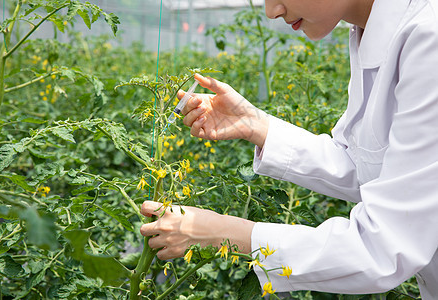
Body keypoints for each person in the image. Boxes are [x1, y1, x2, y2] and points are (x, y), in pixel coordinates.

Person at [140, 0, 438, 298]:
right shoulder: (369, 33)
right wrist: (256, 125)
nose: (272, 11)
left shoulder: (429, 38)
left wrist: (220, 233)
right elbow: (366, 165)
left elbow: (383, 247)